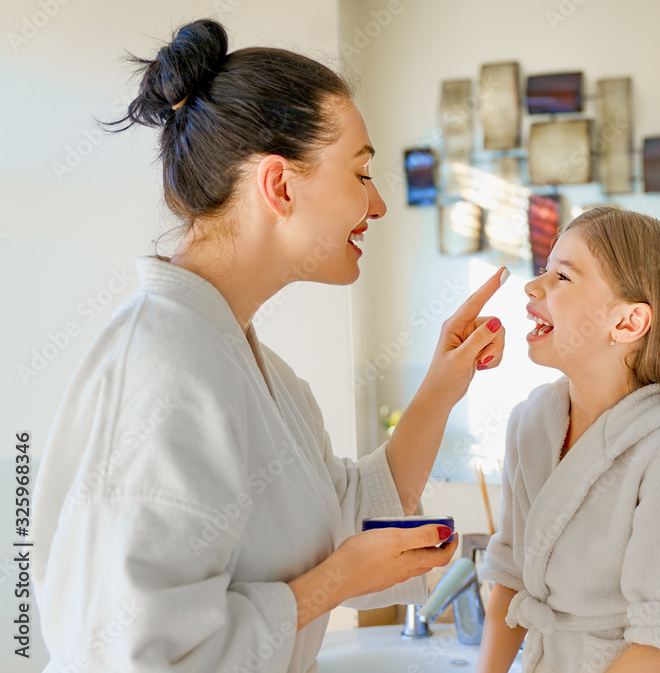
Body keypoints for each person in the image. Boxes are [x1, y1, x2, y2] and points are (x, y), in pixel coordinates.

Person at [31, 19, 507, 672]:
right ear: (280, 186)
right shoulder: (166, 373)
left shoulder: (258, 373)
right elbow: (135, 654)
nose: (378, 205)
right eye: (361, 173)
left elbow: (355, 509)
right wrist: (336, 581)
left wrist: (442, 385)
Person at [476, 206, 660, 673]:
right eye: (543, 270)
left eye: (562, 277)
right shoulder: (533, 423)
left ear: (628, 323)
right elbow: (512, 579)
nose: (533, 287)